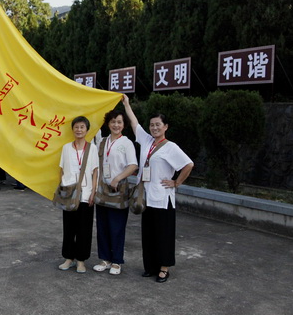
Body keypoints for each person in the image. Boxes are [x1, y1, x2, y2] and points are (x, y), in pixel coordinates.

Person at [123, 95, 194, 283]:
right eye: (152, 124)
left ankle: (164, 268)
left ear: (166, 127)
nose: (154, 127)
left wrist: (176, 182)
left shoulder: (171, 147)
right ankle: (150, 266)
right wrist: (127, 105)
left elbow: (188, 164)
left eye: (158, 125)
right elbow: (134, 123)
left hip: (162, 198)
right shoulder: (146, 141)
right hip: (145, 197)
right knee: (148, 234)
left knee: (164, 234)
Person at [93, 110, 138, 275]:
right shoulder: (102, 142)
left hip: (118, 190)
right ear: (108, 124)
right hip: (102, 189)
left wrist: (117, 178)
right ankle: (105, 259)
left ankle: (117, 261)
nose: (116, 125)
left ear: (124, 124)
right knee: (102, 226)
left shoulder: (126, 143)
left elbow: (133, 165)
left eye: (119, 122)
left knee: (117, 227)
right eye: (113, 122)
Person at [58, 116, 99, 274]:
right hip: (69, 194)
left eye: (82, 127)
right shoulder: (66, 148)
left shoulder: (92, 148)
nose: (79, 130)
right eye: (76, 127)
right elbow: (61, 169)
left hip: (86, 193)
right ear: (72, 129)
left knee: (84, 229)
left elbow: (95, 171)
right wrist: (62, 188)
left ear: (87, 130)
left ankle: (81, 260)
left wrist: (93, 192)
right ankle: (69, 258)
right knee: (68, 227)